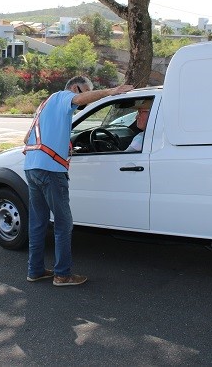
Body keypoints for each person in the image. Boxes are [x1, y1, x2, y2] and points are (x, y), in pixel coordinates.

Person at [23, 76, 133, 286]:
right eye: (84, 94)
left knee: (37, 222)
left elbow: (25, 138)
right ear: (75, 88)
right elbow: (81, 99)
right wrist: (110, 92)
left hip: (32, 166)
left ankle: (35, 270)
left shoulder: (45, 105)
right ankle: (62, 275)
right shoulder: (64, 97)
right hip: (51, 171)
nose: (86, 103)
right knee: (63, 224)